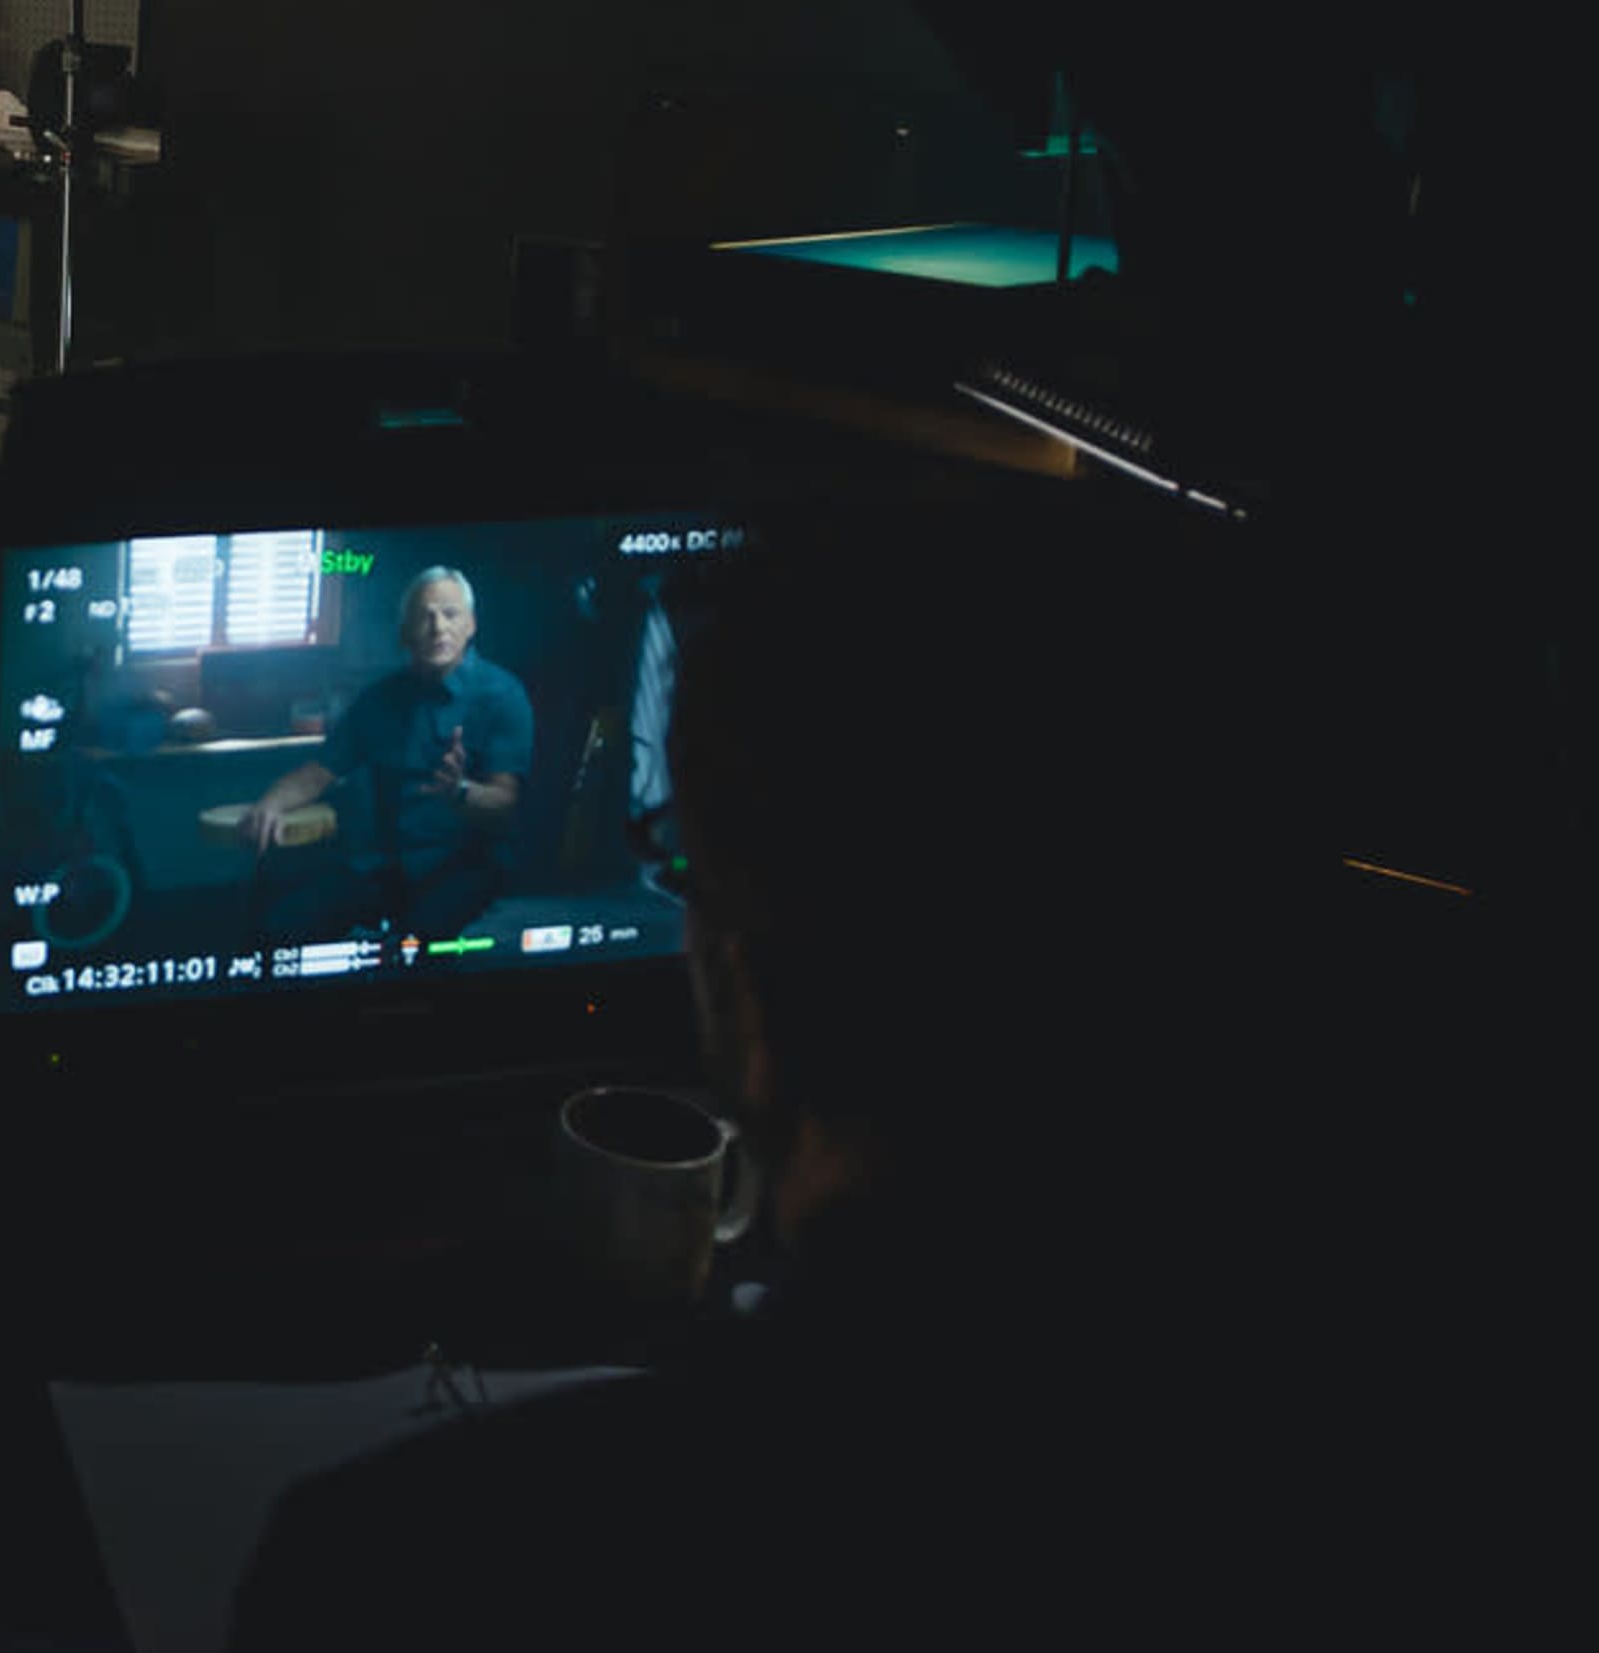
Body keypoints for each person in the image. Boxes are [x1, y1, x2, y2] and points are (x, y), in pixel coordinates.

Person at [221, 503, 1451, 1638]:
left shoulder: (394, 1570)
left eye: (687, 869)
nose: (433, 627)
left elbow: (499, 808)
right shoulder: (1409, 1512)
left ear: (748, 991)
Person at [206, 567, 533, 940]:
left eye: (450, 614)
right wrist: (271, 804)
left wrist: (460, 791)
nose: (438, 626)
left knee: (418, 937)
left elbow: (507, 804)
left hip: (465, 865)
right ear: (405, 632)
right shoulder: (380, 699)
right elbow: (320, 770)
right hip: (387, 866)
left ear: (471, 624)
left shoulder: (502, 696)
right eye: (424, 616)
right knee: (285, 921)